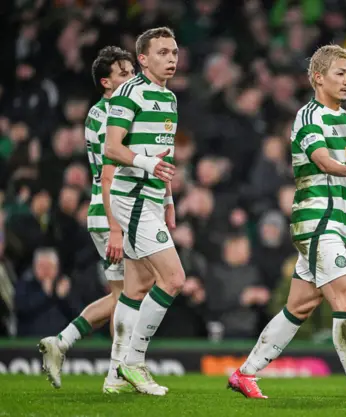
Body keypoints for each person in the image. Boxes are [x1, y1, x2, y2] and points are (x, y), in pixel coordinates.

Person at [227, 44, 346, 401]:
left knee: (299, 307)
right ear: (318, 77)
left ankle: (245, 373)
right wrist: (345, 167)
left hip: (336, 222)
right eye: (340, 73)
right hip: (316, 221)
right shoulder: (308, 116)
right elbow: (322, 159)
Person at [38, 46, 135, 393]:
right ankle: (120, 370)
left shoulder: (105, 111)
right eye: (123, 73)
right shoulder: (109, 112)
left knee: (125, 294)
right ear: (106, 82)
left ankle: (63, 343)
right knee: (138, 290)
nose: (131, 76)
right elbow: (110, 171)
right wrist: (115, 226)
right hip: (112, 211)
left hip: (108, 210)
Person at [104, 26, 185, 396]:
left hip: (152, 199)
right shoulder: (128, 93)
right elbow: (112, 148)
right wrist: (148, 165)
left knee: (136, 288)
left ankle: (113, 377)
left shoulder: (169, 98)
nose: (171, 59)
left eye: (174, 52)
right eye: (163, 52)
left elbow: (164, 156)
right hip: (132, 197)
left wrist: (168, 200)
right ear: (142, 58)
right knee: (173, 279)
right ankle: (133, 363)